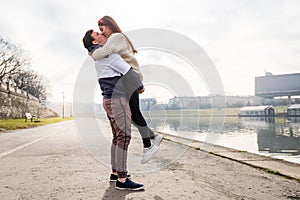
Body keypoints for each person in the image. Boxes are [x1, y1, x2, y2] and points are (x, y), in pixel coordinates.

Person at [91, 16, 162, 164]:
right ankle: (152, 138)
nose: (101, 30)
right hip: (128, 78)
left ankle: (148, 145)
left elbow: (102, 52)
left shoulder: (116, 37)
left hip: (129, 77)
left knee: (135, 114)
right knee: (132, 114)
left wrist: (91, 52)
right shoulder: (117, 38)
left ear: (109, 25)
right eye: (98, 29)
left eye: (101, 27)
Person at [83, 29, 144, 190]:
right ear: (95, 42)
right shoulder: (109, 55)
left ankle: (115, 172)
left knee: (117, 137)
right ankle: (122, 179)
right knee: (124, 136)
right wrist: (140, 87)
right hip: (117, 100)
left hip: (108, 100)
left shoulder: (99, 56)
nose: (102, 35)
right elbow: (129, 72)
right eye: (98, 34)